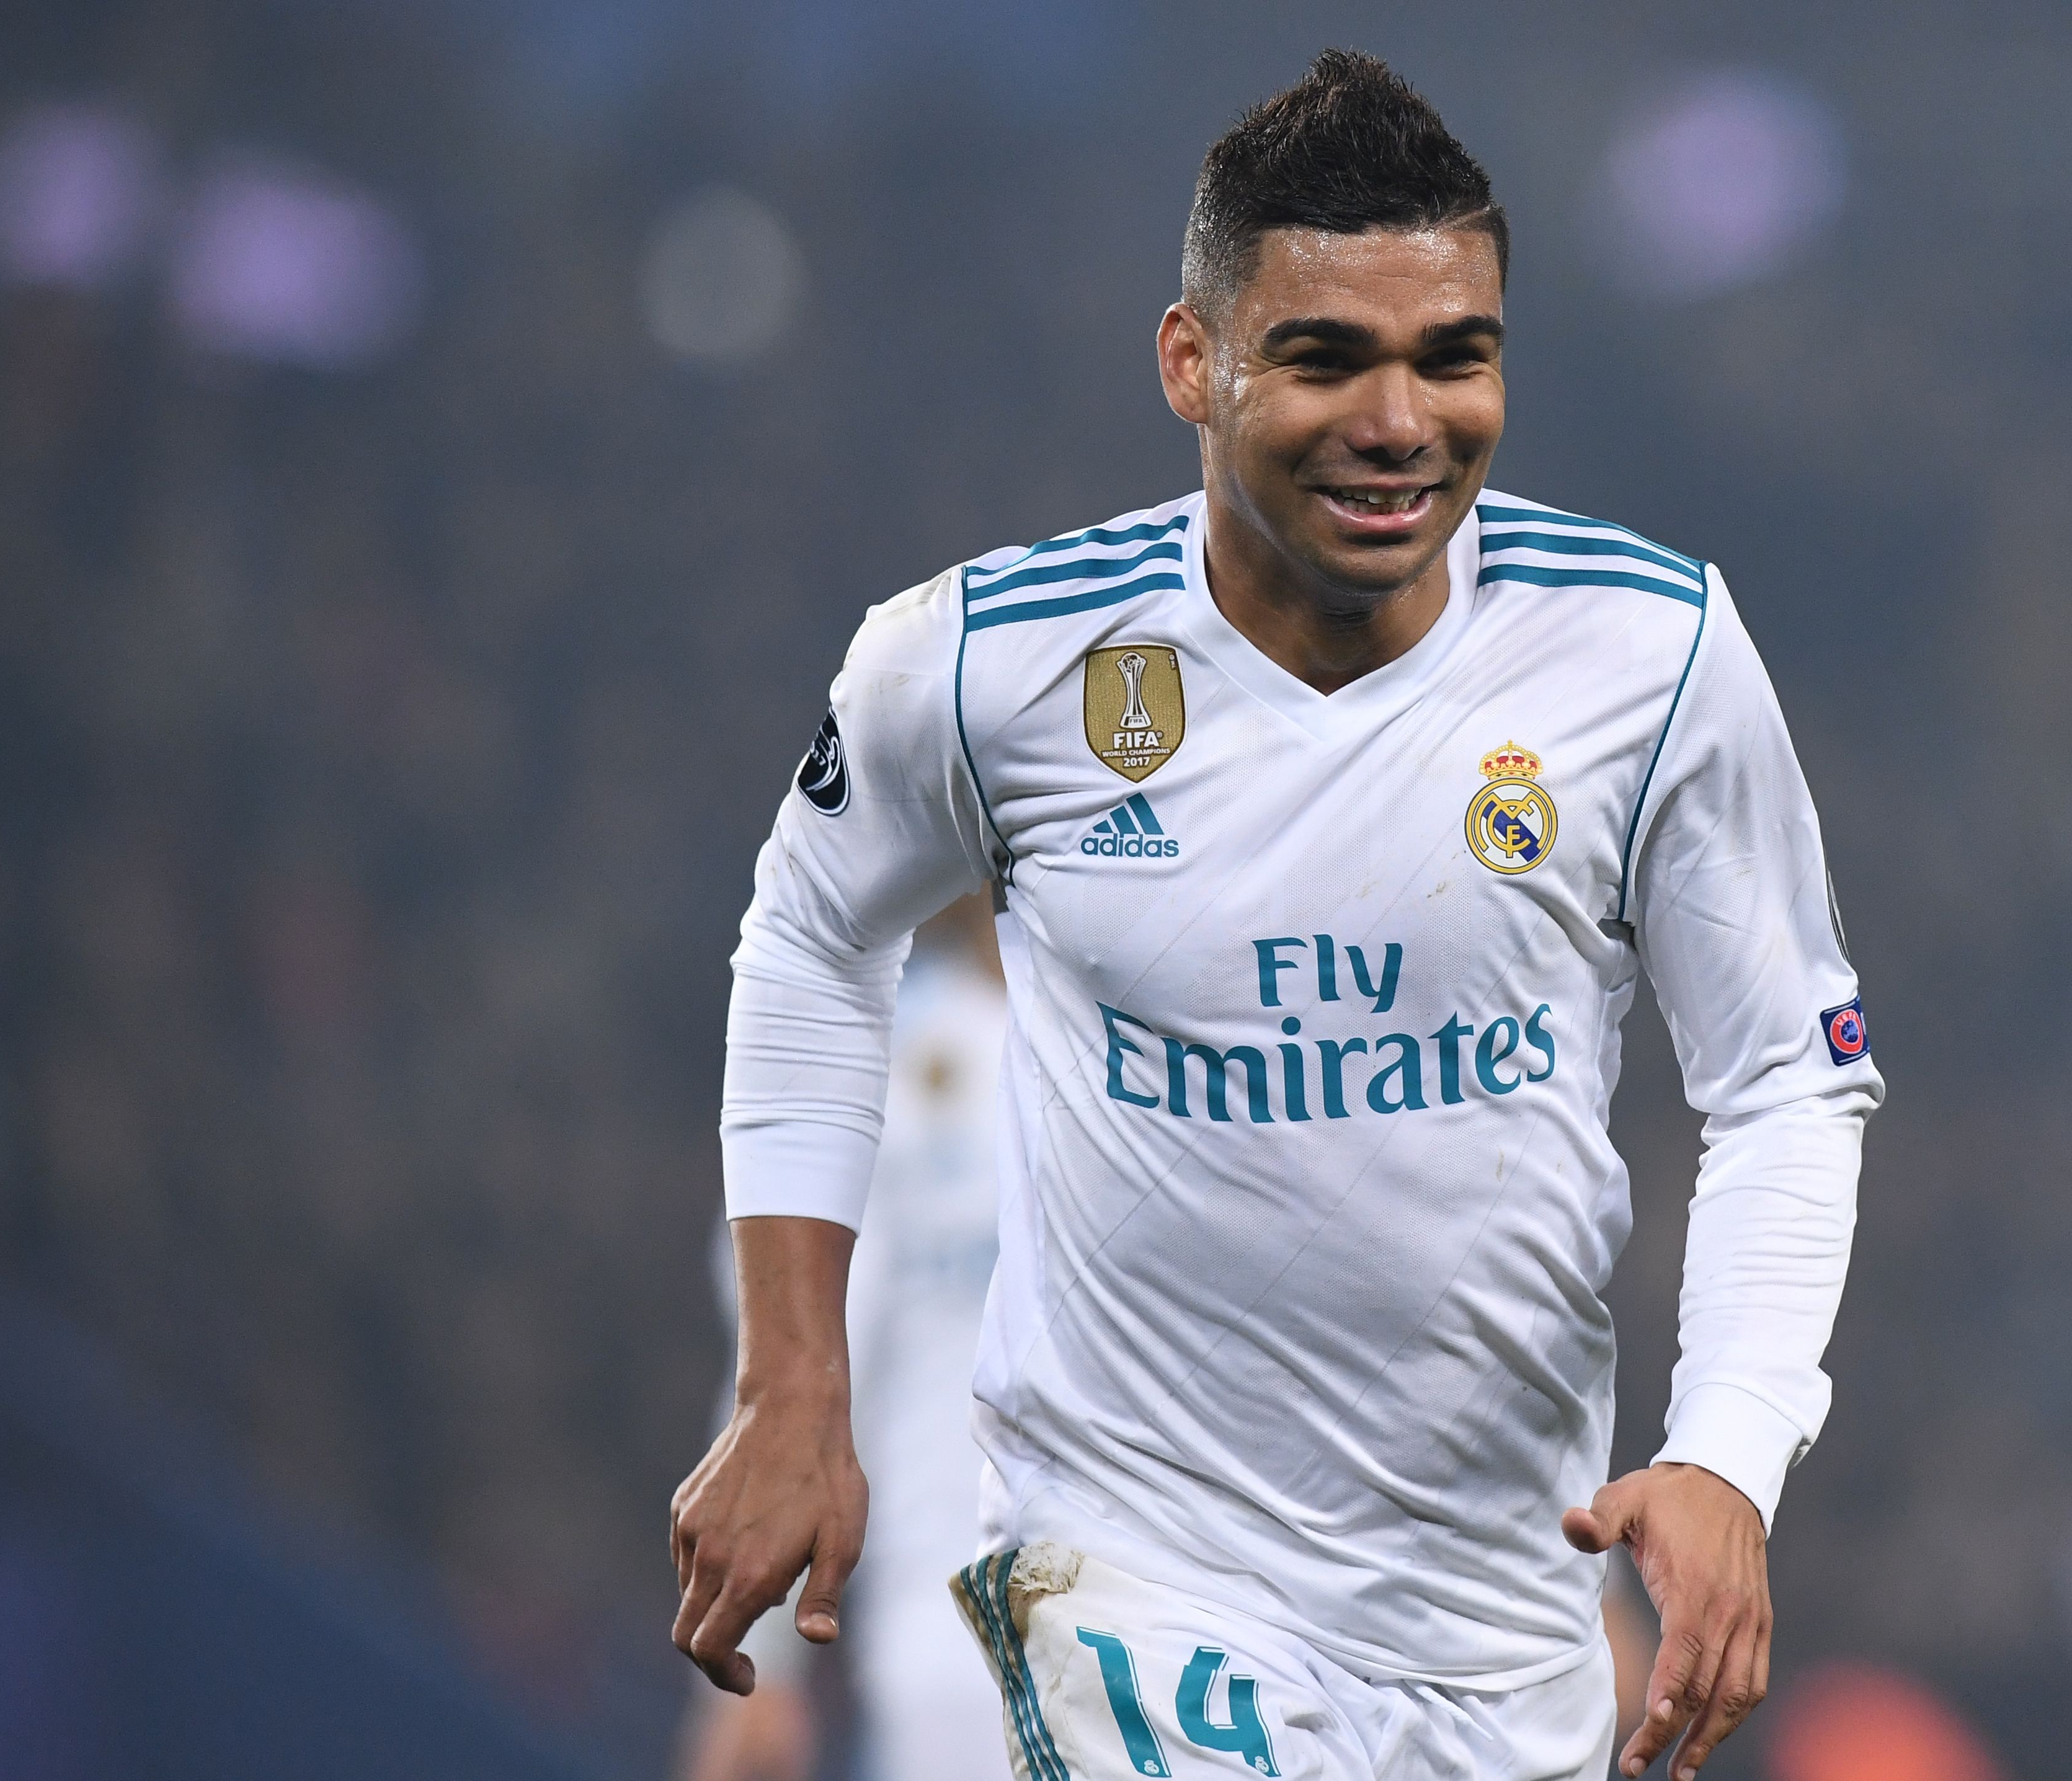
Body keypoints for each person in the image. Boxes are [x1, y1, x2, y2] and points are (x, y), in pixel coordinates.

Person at [671, 49, 1880, 1781]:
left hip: (1500, 1617)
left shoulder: (1651, 653)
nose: (1400, 421)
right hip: (1139, 1574)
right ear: (1193, 361)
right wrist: (792, 1387)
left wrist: (1725, 1456)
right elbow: (808, 935)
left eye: (1453, 356)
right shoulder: (993, 664)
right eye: (1324, 356)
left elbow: (1786, 1077)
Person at [676, 900, 1013, 1781]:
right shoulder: (878, 1054)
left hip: (1183, 1623)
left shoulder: (1171, 1047)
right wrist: (756, 1668)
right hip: (952, 1646)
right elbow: (785, 1367)